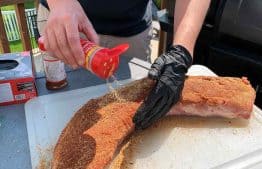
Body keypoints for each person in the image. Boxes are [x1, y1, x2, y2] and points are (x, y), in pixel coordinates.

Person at [37, 0, 211, 129]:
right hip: (64, 23)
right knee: (59, 117)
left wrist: (181, 52)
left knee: (135, 117)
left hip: (131, 34)